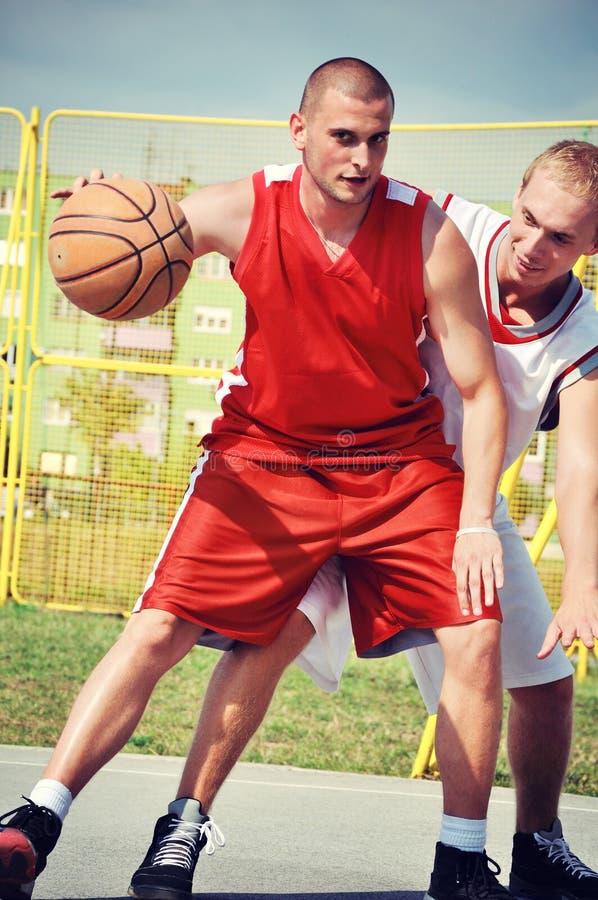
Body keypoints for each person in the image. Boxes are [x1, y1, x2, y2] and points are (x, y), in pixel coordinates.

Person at [0, 57, 510, 900]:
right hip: (266, 456)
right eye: (343, 137)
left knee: (479, 632)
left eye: (377, 140)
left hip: (397, 466)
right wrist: (101, 207)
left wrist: (477, 520)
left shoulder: (427, 231)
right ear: (299, 130)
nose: (361, 159)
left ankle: (460, 861)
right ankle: (34, 820)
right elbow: (149, 230)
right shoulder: (245, 205)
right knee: (160, 627)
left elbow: (482, 389)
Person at [118, 140, 598, 900]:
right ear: (516, 194)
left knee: (544, 678)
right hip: (340, 473)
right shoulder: (447, 229)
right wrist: (129, 206)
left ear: (594, 244)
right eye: (529, 218)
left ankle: (535, 844)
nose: (533, 244)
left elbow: (580, 466)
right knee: (269, 643)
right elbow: (305, 199)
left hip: (460, 512)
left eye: (563, 237)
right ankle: (183, 825)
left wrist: (582, 584)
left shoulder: (579, 332)